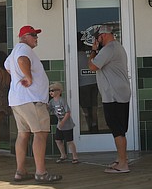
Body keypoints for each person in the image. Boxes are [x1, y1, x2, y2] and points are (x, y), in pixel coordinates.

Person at [5, 26, 61, 183]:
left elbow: (8, 66)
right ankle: (41, 172)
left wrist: (19, 75)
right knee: (40, 133)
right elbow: (22, 60)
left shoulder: (15, 49)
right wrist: (28, 77)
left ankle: (20, 171)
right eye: (33, 35)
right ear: (23, 37)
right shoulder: (24, 49)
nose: (36, 38)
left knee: (23, 134)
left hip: (18, 100)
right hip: (32, 99)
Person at [88, 24, 132, 174]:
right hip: (120, 93)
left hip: (114, 95)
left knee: (117, 129)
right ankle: (121, 159)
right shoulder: (116, 47)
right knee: (119, 128)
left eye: (97, 37)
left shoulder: (109, 49)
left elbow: (93, 66)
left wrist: (93, 50)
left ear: (104, 35)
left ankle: (123, 164)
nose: (96, 39)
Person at [48, 82, 79, 164]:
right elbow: (48, 109)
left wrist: (63, 122)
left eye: (52, 90)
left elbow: (68, 112)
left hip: (67, 124)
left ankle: (75, 156)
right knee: (58, 140)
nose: (51, 92)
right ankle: (63, 155)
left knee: (69, 141)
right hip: (60, 125)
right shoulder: (51, 102)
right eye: (50, 91)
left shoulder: (62, 100)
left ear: (59, 91)